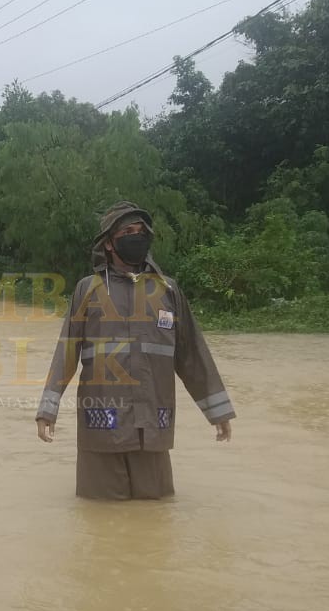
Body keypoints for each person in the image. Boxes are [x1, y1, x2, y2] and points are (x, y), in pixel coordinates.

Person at [35, 200, 234, 500]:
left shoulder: (167, 290)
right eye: (127, 232)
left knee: (156, 511)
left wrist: (217, 412)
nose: (136, 237)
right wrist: (47, 410)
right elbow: (66, 353)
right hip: (101, 427)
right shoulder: (88, 290)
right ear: (109, 244)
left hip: (153, 425)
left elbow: (192, 355)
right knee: (99, 514)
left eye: (141, 231)